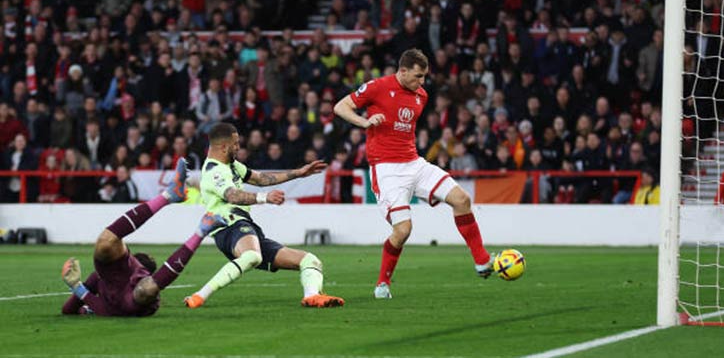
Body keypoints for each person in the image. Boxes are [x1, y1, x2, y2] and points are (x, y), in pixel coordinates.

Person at [333, 48, 493, 299]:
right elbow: (340, 107)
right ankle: (382, 283)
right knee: (403, 231)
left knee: (461, 199)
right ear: (403, 70)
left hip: (414, 163)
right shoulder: (377, 87)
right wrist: (365, 123)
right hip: (387, 170)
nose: (422, 82)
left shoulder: (421, 95)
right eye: (418, 76)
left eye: (424, 76)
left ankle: (482, 260)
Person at [183, 122, 344, 309]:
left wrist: (298, 173)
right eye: (235, 144)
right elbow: (232, 195)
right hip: (228, 226)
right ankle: (198, 297)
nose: (238, 147)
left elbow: (260, 178)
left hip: (246, 227)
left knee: (310, 260)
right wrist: (265, 198)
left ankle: (312, 296)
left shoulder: (231, 165)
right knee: (252, 256)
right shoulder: (214, 171)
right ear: (224, 146)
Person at [60, 159, 226, 316]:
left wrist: (77, 287)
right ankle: (201, 230)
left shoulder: (104, 278)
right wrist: (80, 294)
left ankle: (169, 195)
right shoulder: (103, 279)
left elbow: (94, 310)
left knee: (105, 244)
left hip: (130, 298)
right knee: (144, 289)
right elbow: (69, 310)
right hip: (131, 302)